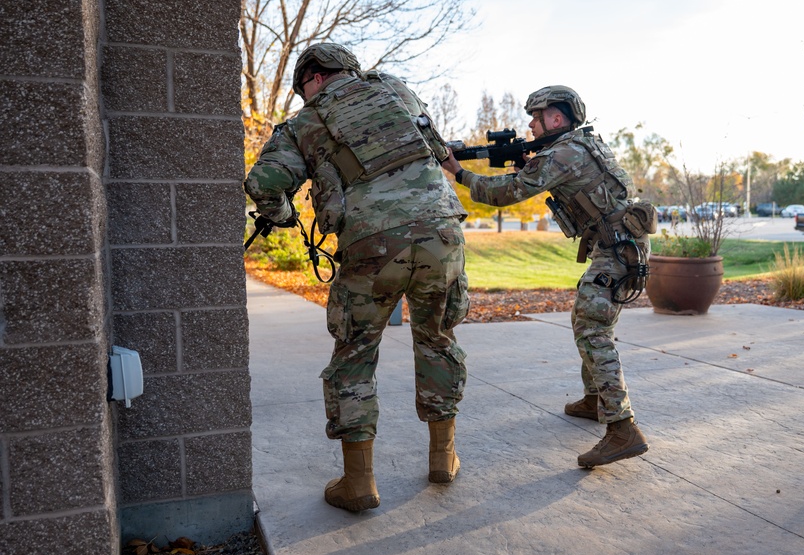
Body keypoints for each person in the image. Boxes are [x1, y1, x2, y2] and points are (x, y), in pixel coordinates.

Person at [244, 43, 470, 512]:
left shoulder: (304, 123)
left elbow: (264, 183)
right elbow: (437, 148)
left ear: (315, 78)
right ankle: (442, 458)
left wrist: (283, 215)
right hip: (442, 234)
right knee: (438, 341)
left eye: (303, 87)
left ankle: (359, 482)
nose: (304, 96)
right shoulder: (396, 91)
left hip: (372, 246)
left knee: (355, 354)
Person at [442, 85, 654, 468]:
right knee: (584, 320)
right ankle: (595, 400)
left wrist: (459, 173)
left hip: (618, 251)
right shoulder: (582, 144)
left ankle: (623, 428)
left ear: (556, 119)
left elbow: (505, 193)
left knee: (593, 329)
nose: (530, 124)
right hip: (621, 246)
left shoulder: (563, 153)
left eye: (536, 117)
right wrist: (532, 166)